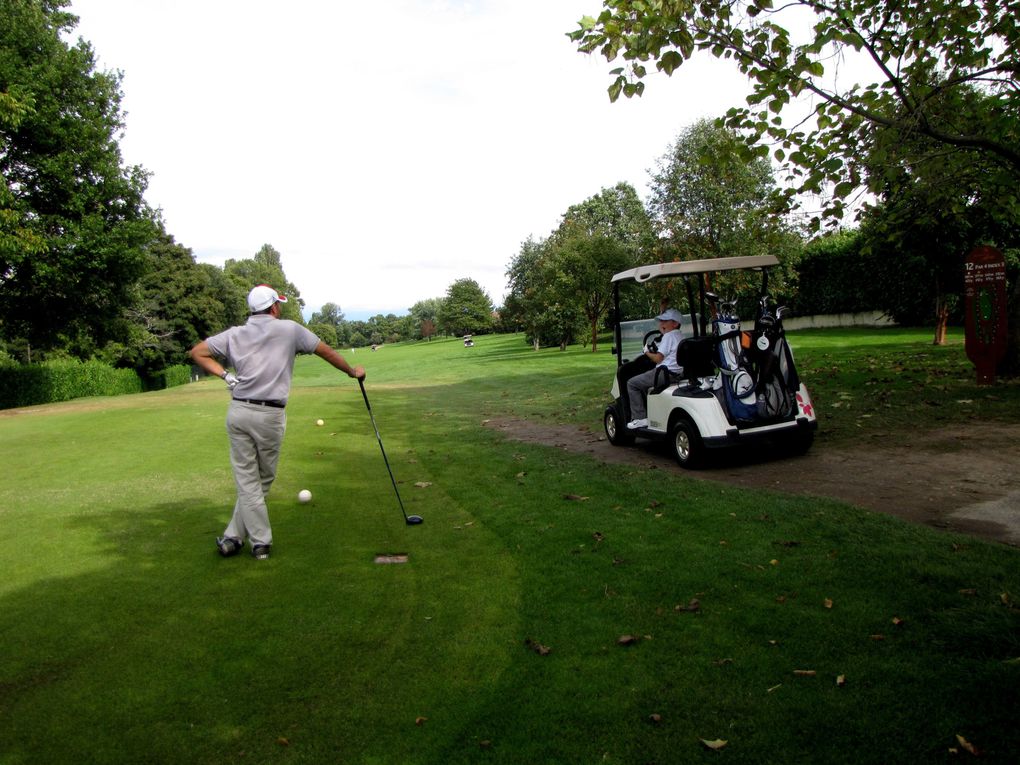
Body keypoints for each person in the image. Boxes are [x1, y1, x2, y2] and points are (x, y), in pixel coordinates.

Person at [189, 284, 365, 560]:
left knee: (250, 481)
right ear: (273, 307)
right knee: (262, 479)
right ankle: (261, 542)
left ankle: (233, 537)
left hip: (238, 411)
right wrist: (352, 372)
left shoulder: (235, 334)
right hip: (269, 415)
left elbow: (197, 352)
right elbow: (326, 351)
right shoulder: (290, 329)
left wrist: (225, 376)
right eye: (278, 304)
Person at [626, 308, 685, 429]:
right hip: (678, 373)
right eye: (661, 321)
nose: (662, 324)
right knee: (642, 382)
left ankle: (640, 418)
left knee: (632, 384)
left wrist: (646, 351)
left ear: (675, 323)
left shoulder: (668, 336)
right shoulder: (679, 335)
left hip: (664, 374)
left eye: (665, 321)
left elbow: (658, 359)